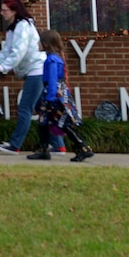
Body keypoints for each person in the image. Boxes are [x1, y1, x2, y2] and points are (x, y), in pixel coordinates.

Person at [0, 0, 64, 155]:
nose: (2, 13)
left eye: (4, 10)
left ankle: (15, 145)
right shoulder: (13, 29)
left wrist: (4, 67)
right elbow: (6, 51)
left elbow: (18, 51)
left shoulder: (23, 26)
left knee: (24, 108)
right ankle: (58, 145)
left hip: (36, 70)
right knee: (42, 110)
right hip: (35, 71)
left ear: (14, 11)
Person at [28, 30, 93, 163]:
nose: (37, 43)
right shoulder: (55, 57)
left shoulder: (52, 59)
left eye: (40, 41)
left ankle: (83, 147)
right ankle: (44, 150)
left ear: (46, 43)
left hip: (54, 94)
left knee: (62, 123)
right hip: (57, 93)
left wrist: (50, 99)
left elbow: (52, 80)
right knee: (43, 121)